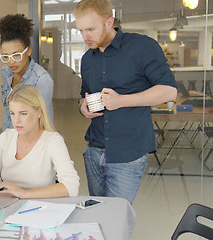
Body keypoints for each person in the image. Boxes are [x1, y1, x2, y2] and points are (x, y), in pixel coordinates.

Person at [74, 0, 177, 204]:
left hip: (128, 153)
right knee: (97, 214)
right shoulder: (87, 59)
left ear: (109, 22)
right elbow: (84, 94)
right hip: (94, 149)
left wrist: (122, 101)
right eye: (80, 30)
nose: (85, 36)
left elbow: (169, 91)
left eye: (90, 29)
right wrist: (82, 107)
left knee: (116, 219)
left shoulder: (142, 46)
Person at [0, 85, 79, 199]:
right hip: (9, 205)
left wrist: (24, 194)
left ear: (39, 112)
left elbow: (72, 186)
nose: (16, 120)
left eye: (23, 113)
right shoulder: (5, 138)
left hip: (41, 207)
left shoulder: (52, 141)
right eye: (12, 113)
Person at [0, 14, 54, 131]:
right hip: (7, 135)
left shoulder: (42, 79)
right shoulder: (6, 71)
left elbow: (45, 122)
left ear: (29, 50)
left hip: (29, 139)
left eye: (16, 55)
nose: (11, 61)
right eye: (6, 56)